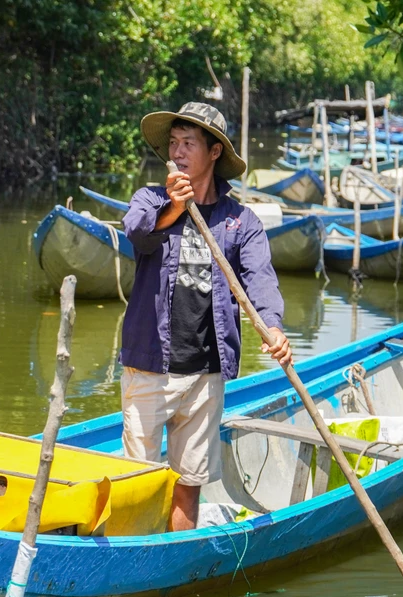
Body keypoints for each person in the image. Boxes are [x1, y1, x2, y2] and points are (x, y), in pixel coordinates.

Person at [120, 102, 292, 531]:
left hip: (204, 373)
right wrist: (175, 209)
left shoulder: (240, 221)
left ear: (214, 152)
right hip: (148, 365)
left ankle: (179, 558)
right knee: (135, 480)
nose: (177, 153)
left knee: (188, 481)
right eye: (173, 144)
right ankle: (133, 560)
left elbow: (260, 281)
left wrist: (272, 327)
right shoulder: (150, 200)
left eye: (188, 144)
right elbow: (138, 234)